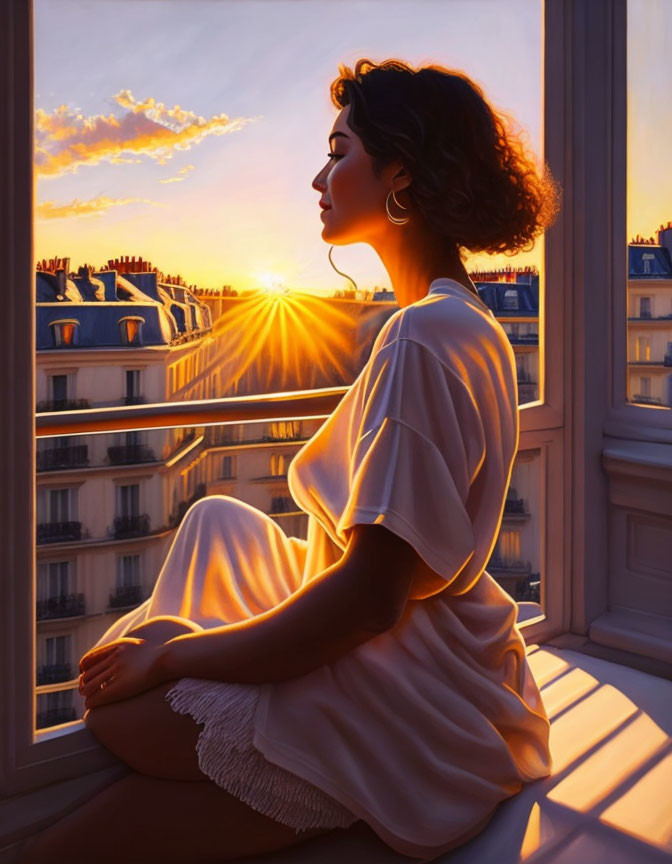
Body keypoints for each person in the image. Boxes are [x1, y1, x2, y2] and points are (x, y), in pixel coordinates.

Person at [20, 58, 560, 864]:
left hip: (415, 688)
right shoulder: (465, 320)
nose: (320, 175)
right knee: (215, 522)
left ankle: (330, 784)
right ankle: (294, 778)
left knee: (117, 707)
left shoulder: (420, 337)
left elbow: (372, 601)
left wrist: (175, 652)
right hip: (452, 663)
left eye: (340, 153)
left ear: (400, 177)